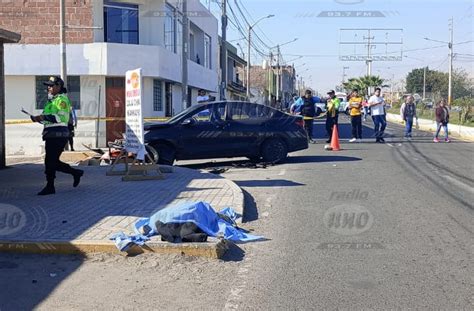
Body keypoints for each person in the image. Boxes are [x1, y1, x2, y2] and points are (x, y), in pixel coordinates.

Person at [30, 76, 84, 195]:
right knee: (51, 161)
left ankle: (51, 186)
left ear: (58, 86)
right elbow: (47, 119)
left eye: (51, 85)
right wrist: (38, 119)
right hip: (51, 134)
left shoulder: (62, 100)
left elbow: (61, 117)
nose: (48, 88)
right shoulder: (52, 101)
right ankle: (75, 173)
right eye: (48, 86)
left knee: (50, 161)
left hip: (58, 134)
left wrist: (43, 117)